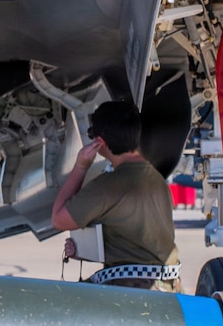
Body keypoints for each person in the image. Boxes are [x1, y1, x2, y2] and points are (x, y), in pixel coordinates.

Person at [50, 99, 179, 290]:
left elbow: (59, 219)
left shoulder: (108, 186)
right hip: (166, 286)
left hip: (132, 293)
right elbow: (141, 242)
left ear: (99, 141)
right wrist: (86, 250)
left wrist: (80, 166)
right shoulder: (156, 179)